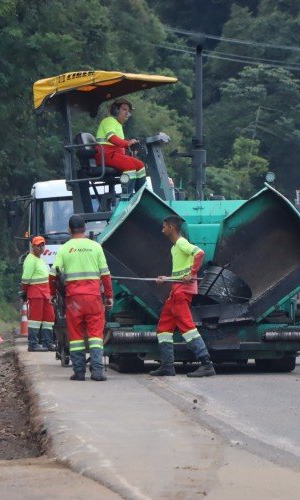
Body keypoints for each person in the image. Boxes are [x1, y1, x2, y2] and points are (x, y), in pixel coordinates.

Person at [150, 215, 215, 377]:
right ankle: (167, 366)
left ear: (171, 227)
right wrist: (166, 279)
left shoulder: (181, 242)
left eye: (164, 226)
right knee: (164, 329)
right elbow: (180, 272)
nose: (162, 229)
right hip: (175, 291)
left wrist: (192, 273)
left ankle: (207, 364)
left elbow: (199, 253)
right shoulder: (174, 248)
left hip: (181, 292)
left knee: (187, 328)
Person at [50, 215, 113, 381]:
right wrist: (109, 296)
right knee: (95, 335)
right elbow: (106, 275)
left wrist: (52, 294)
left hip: (74, 301)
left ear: (70, 230)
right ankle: (97, 371)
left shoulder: (65, 248)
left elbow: (53, 275)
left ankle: (79, 372)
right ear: (84, 229)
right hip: (93, 299)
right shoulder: (95, 247)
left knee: (76, 335)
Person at [95, 97, 146, 193]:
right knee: (129, 166)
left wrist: (130, 145)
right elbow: (111, 138)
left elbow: (119, 143)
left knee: (140, 165)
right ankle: (127, 197)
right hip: (105, 155)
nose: (127, 113)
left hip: (113, 155)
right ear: (115, 110)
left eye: (128, 111)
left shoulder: (118, 124)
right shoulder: (109, 120)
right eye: (124, 109)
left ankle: (142, 195)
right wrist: (127, 143)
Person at [21, 236, 56, 352]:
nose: (41, 248)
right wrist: (24, 293)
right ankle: (33, 344)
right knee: (35, 319)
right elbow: (25, 279)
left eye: (42, 245)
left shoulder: (40, 260)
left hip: (45, 293)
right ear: (33, 246)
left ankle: (48, 342)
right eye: (38, 245)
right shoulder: (30, 260)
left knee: (49, 318)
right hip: (36, 293)